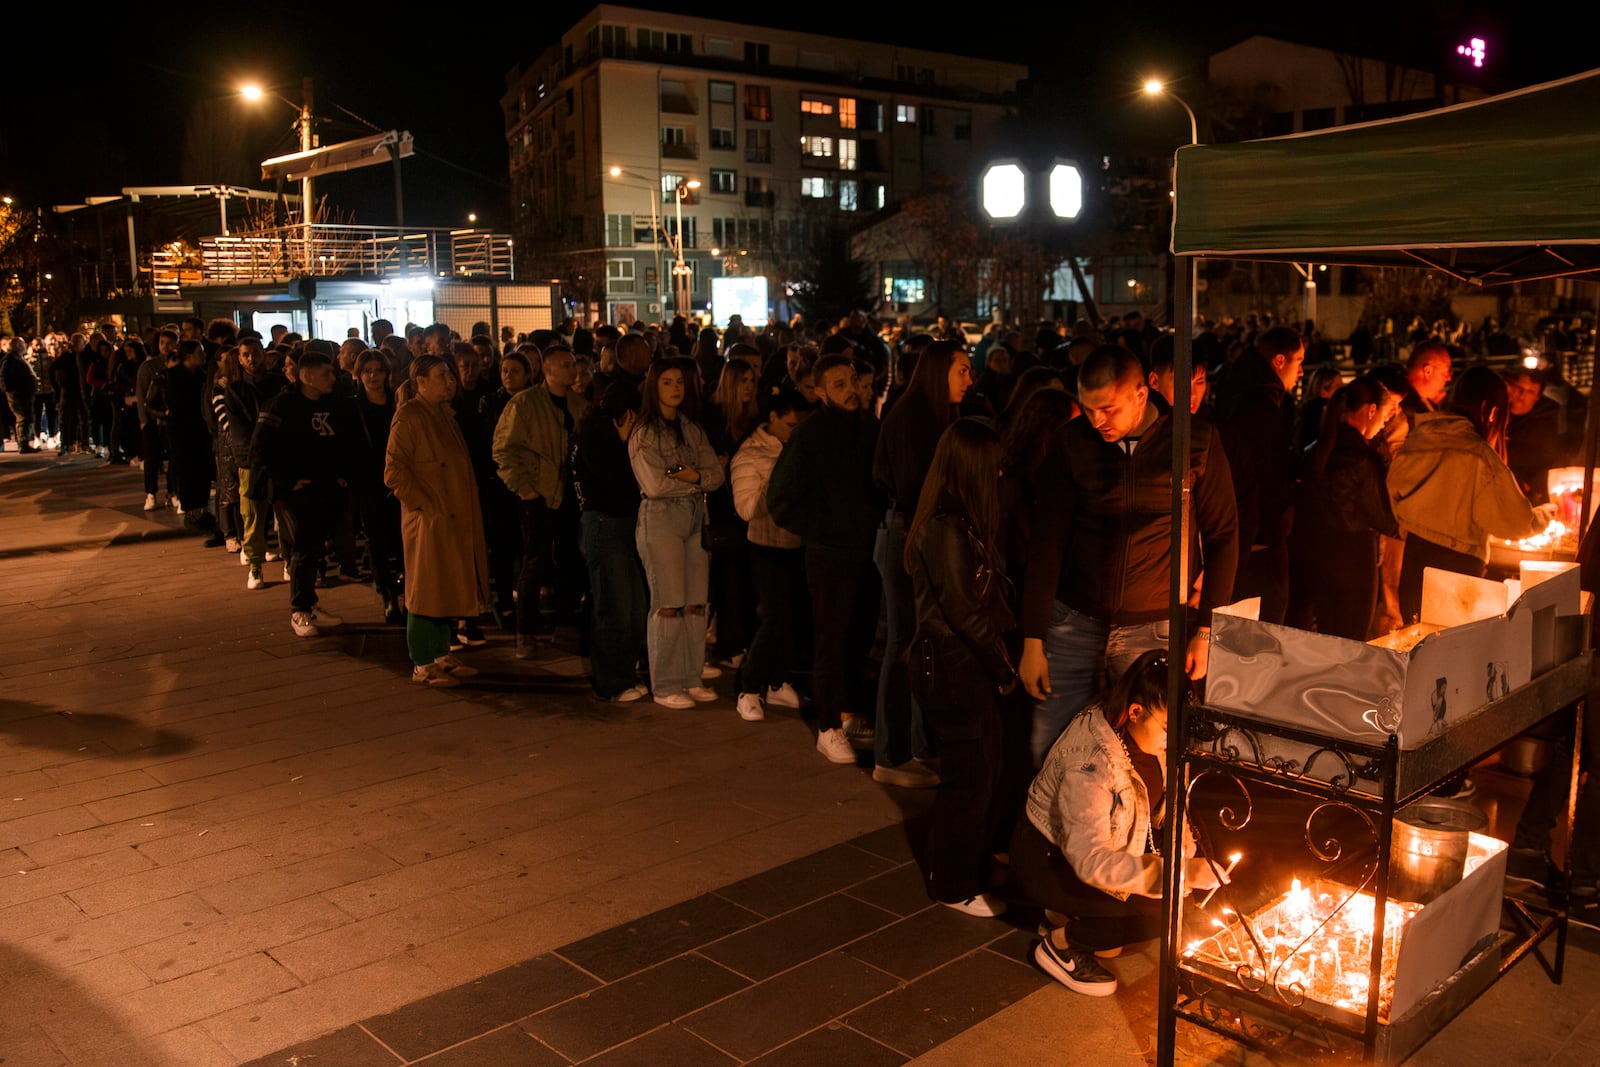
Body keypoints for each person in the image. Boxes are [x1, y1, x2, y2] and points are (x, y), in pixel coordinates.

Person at [1018, 345, 1239, 765]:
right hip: (1074, 622)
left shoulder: (1192, 440)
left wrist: (1207, 628)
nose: (1097, 420)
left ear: (1142, 395)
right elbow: (1046, 543)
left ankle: (1142, 830)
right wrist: (1033, 638)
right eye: (1087, 408)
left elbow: (1224, 534)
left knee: (1149, 754)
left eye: (1108, 409)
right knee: (1052, 750)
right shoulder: (1071, 443)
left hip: (1153, 626)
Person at [1011, 651, 1223, 996]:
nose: (1174, 740)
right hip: (1049, 861)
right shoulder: (1091, 764)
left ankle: (1070, 917)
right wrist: (1178, 875)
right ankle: (1059, 945)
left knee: (1137, 923)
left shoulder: (1147, 735)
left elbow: (1172, 806)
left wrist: (1185, 856)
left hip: (1098, 849)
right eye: (1169, 728)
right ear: (1136, 711)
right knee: (1164, 913)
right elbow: (1090, 858)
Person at [905, 418, 1018, 916]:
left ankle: (969, 866)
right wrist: (1005, 669)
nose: (1000, 474)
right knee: (967, 777)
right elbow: (963, 610)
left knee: (983, 769)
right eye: (993, 466)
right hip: (950, 661)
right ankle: (951, 884)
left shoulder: (959, 520)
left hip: (959, 657)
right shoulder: (945, 527)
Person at [768, 353, 883, 764]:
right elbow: (780, 499)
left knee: (860, 636)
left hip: (868, 550)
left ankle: (848, 710)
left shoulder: (870, 426)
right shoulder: (810, 435)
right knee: (831, 640)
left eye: (853, 380)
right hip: (830, 555)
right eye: (839, 385)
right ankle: (828, 726)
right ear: (819, 392)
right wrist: (827, 529)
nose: (851, 390)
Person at [871, 338, 973, 788]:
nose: (970, 380)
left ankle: (918, 744)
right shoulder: (913, 418)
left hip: (918, 534)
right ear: (939, 372)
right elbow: (915, 489)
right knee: (903, 643)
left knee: (919, 642)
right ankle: (890, 755)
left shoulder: (933, 416)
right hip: (908, 536)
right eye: (962, 370)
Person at [1388, 366, 1552, 624]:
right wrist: (1542, 516)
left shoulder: (1418, 439)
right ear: (1491, 410)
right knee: (1452, 650)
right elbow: (1516, 522)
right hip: (1458, 571)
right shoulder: (1479, 456)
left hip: (1413, 562)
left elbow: (1393, 489)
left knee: (1416, 645)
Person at [384, 355, 489, 686]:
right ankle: (423, 663)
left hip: (451, 516)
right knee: (425, 588)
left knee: (445, 585)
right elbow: (394, 472)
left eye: (450, 375)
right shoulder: (410, 417)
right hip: (429, 520)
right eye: (442, 375)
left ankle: (442, 653)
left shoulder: (445, 414)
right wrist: (426, 505)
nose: (451, 381)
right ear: (422, 382)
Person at [629, 360, 725, 708]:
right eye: (667, 381)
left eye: (680, 381)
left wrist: (692, 476)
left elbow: (715, 474)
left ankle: (690, 676)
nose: (675, 388)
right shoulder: (644, 432)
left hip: (695, 517)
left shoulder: (691, 428)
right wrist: (693, 478)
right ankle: (666, 684)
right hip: (660, 520)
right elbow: (654, 484)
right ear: (654, 386)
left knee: (695, 603)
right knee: (667, 603)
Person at [493, 345, 590, 655]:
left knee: (570, 560)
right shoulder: (525, 404)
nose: (572, 369)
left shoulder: (579, 406)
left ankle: (564, 624)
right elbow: (504, 449)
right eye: (565, 364)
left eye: (573, 363)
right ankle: (527, 631)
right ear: (548, 370)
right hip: (537, 494)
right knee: (535, 562)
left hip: (570, 496)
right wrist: (525, 487)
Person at [250, 347, 353, 638]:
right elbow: (259, 448)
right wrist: (285, 480)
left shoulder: (331, 402)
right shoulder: (282, 405)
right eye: (326, 373)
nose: (333, 377)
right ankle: (299, 611)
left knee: (316, 547)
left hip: (326, 487)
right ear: (307, 376)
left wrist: (341, 474)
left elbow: (340, 440)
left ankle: (310, 604)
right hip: (297, 492)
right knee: (304, 547)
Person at [1286, 376, 1400, 640]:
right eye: (1384, 417)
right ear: (1371, 410)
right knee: (1351, 638)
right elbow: (1382, 516)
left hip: (1316, 555)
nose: (1384, 424)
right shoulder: (1361, 457)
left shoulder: (1317, 450)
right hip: (1354, 560)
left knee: (1322, 636)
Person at [729, 387, 809, 722]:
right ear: (772, 418)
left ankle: (777, 681)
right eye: (790, 424)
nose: (795, 431)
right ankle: (749, 687)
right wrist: (779, 480)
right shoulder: (751, 454)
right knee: (773, 618)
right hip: (765, 546)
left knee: (791, 617)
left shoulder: (798, 448)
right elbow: (746, 508)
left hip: (798, 543)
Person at [571, 381, 649, 702]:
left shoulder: (601, 435)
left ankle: (625, 672)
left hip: (623, 525)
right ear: (627, 414)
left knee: (633, 605)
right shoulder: (593, 437)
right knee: (613, 605)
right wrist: (621, 442)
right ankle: (612, 682)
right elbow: (614, 482)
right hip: (604, 525)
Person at [353, 351, 403, 622]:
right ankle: (389, 596)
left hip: (398, 480)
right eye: (367, 371)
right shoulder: (354, 407)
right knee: (377, 541)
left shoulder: (397, 403)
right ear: (360, 375)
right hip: (369, 481)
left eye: (378, 370)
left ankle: (406, 592)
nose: (373, 376)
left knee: (402, 539)